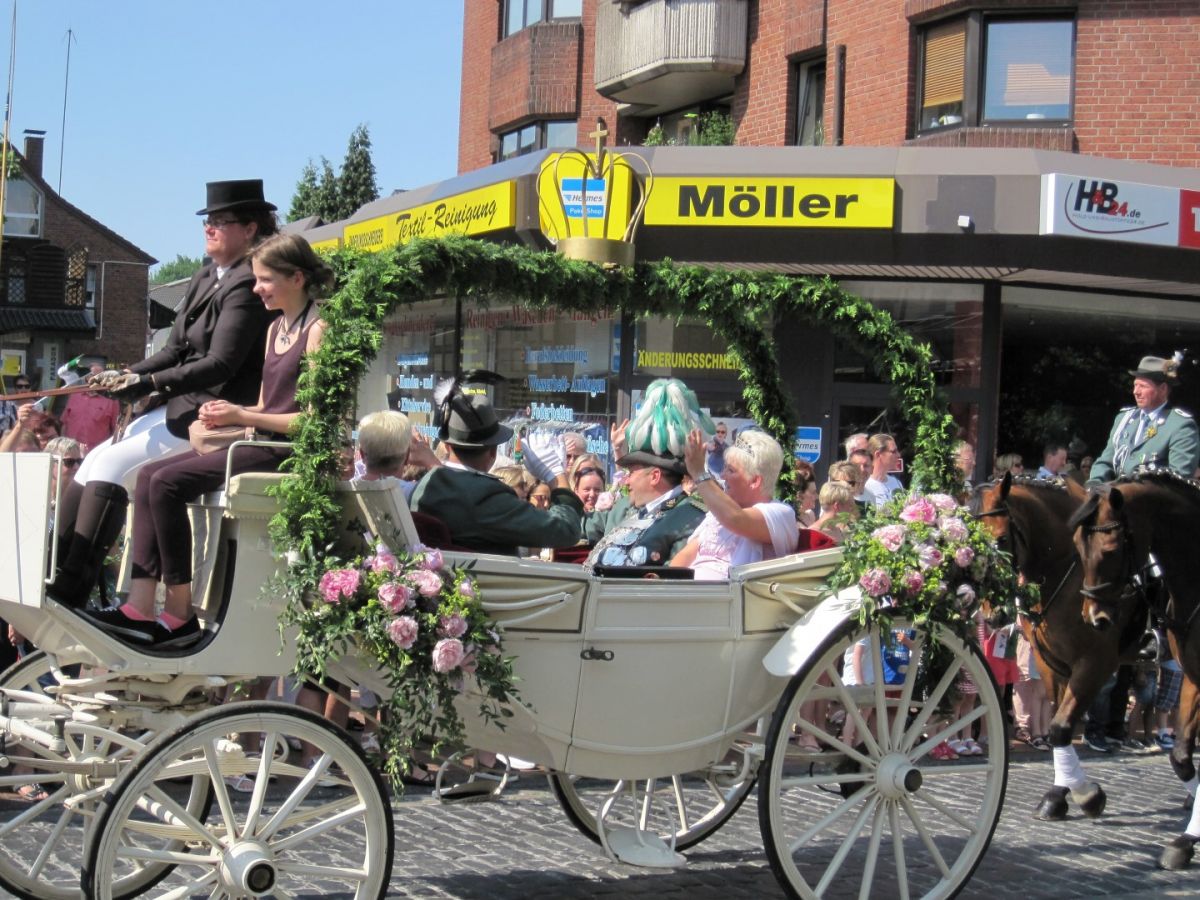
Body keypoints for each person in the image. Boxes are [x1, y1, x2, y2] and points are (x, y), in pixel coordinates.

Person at [87, 233, 328, 648]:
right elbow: (265, 404)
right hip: (258, 442)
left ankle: (179, 614)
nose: (257, 289)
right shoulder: (276, 329)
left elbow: (313, 421)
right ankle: (141, 606)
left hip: (284, 453)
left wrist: (240, 416)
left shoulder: (319, 329)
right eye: (256, 279)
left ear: (297, 278)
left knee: (167, 483)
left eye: (265, 280)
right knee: (148, 477)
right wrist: (225, 418)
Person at [48, 180, 279, 609]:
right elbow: (174, 350)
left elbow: (221, 364)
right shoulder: (206, 275)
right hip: (180, 403)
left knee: (112, 466)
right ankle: (52, 569)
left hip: (213, 411)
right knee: (93, 460)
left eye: (220, 221)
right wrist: (126, 375)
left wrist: (151, 384)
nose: (209, 228)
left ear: (250, 229)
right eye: (207, 221)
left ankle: (71, 592)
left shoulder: (247, 283)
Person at [410, 378, 583, 556]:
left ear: (447, 446)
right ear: (493, 451)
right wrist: (556, 475)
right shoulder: (485, 496)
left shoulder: (426, 484)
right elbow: (566, 530)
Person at [586, 379, 708, 569]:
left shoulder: (691, 518)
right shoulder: (625, 507)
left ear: (655, 476)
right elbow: (582, 526)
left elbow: (674, 580)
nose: (626, 481)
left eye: (632, 473)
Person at [670, 429, 797, 579]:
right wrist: (662, 584)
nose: (722, 475)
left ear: (754, 481)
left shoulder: (781, 513)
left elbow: (736, 519)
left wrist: (699, 474)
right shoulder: (719, 513)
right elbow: (684, 557)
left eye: (730, 470)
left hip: (730, 594)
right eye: (724, 468)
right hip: (689, 591)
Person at [1088, 354, 1200, 483]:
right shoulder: (1123, 419)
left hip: (1152, 496)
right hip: (1115, 493)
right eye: (1135, 385)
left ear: (1163, 389)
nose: (1136, 391)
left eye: (1143, 386)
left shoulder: (1180, 425)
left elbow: (1178, 481)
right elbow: (1106, 461)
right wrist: (1094, 484)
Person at [61, 364, 121, 453]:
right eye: (94, 375)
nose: (97, 379)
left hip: (95, 453)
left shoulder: (111, 401)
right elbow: (64, 423)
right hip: (70, 451)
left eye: (101, 376)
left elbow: (116, 430)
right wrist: (62, 446)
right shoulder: (74, 395)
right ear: (87, 377)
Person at [862, 433, 903, 507]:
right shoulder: (865, 486)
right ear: (878, 454)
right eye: (893, 452)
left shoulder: (896, 482)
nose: (898, 455)